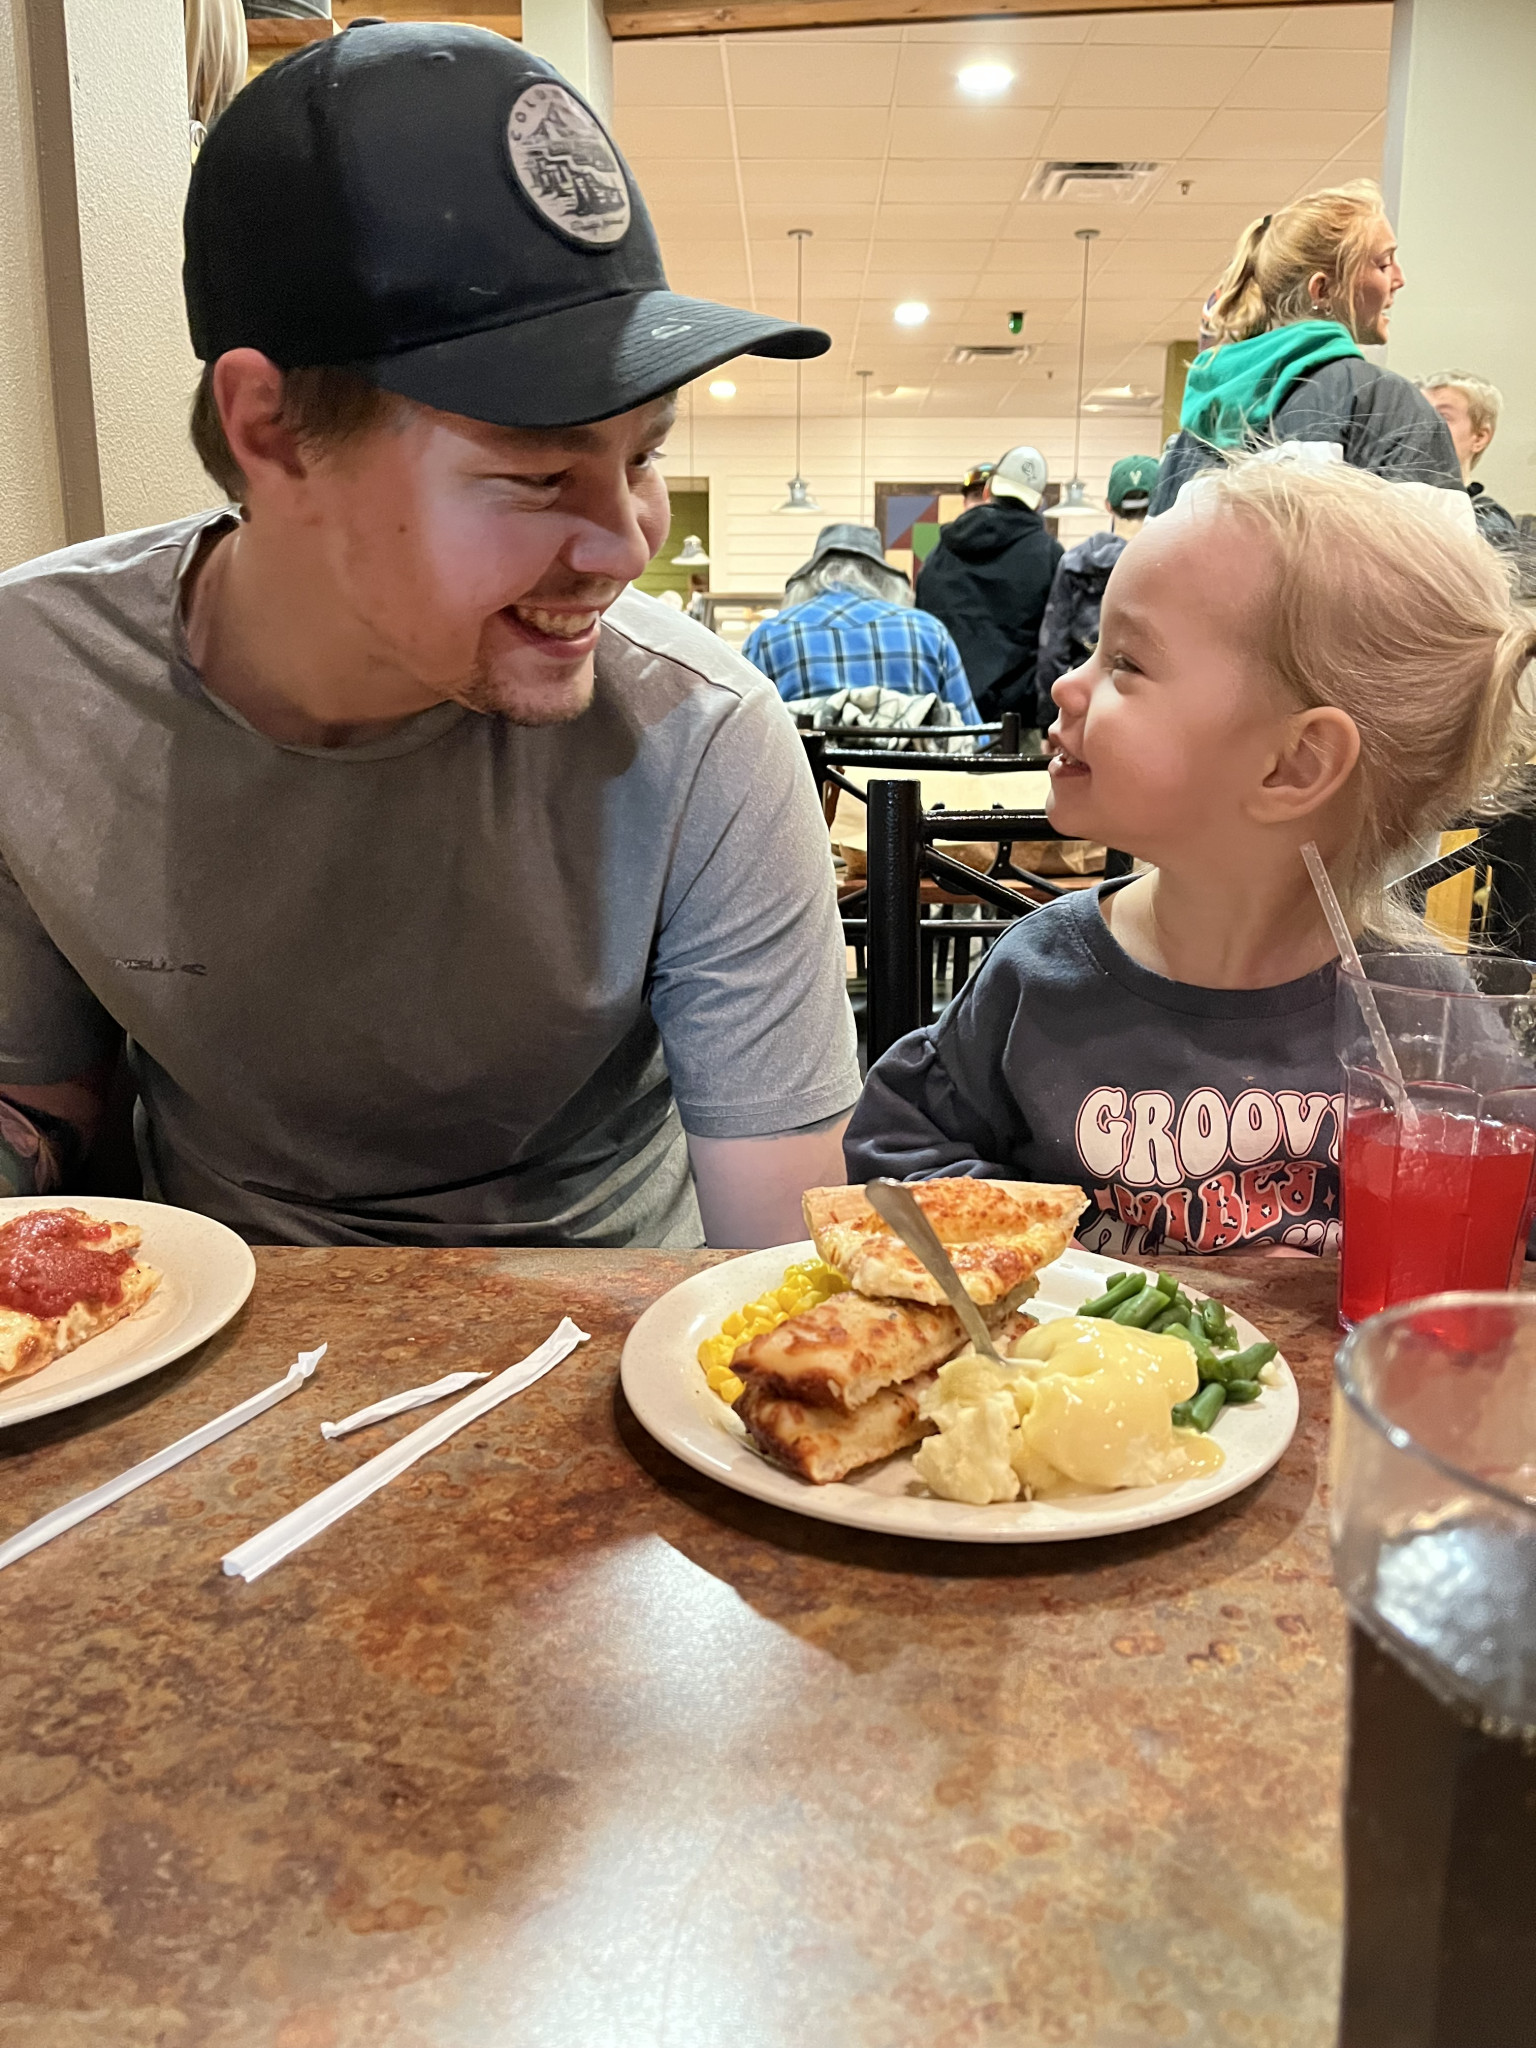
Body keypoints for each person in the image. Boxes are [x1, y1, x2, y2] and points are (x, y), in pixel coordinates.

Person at [0, 24, 861, 1252]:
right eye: (536, 473)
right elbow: (42, 1111)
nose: (627, 546)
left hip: (616, 1314)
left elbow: (781, 1263)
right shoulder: (33, 683)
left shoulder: (705, 733)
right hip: (215, 1316)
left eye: (644, 455)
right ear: (272, 428)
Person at [846, 459, 1536, 1258]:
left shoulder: (1421, 1015)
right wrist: (1039, 1254)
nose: (1066, 685)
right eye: (1092, 648)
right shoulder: (1038, 975)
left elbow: (1504, 1230)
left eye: (1126, 663)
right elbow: (900, 1151)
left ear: (1295, 765)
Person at [1152, 182, 1461, 515]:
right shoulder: (1383, 403)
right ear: (1322, 290)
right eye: (1383, 264)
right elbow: (1439, 542)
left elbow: (1157, 542)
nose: (1399, 279)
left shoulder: (1200, 423)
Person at [742, 524, 979, 726]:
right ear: (885, 579)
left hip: (809, 769)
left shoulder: (769, 636)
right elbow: (973, 737)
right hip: (911, 769)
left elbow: (744, 734)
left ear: (809, 578)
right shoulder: (928, 632)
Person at [915, 445, 1062, 725]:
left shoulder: (939, 553)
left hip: (948, 716)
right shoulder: (1050, 556)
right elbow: (1055, 645)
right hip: (1016, 722)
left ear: (987, 491)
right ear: (1037, 503)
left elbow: (923, 627)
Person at [1035, 453, 1158, 711]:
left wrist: (1051, 718)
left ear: (1108, 506)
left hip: (1089, 708)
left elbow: (1052, 653)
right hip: (1152, 712)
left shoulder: (1074, 563)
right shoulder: (1169, 564)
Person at [1420, 371, 1520, 552]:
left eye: (1443, 417)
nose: (1424, 426)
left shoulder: (1488, 521)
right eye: (1419, 415)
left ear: (1479, 437)